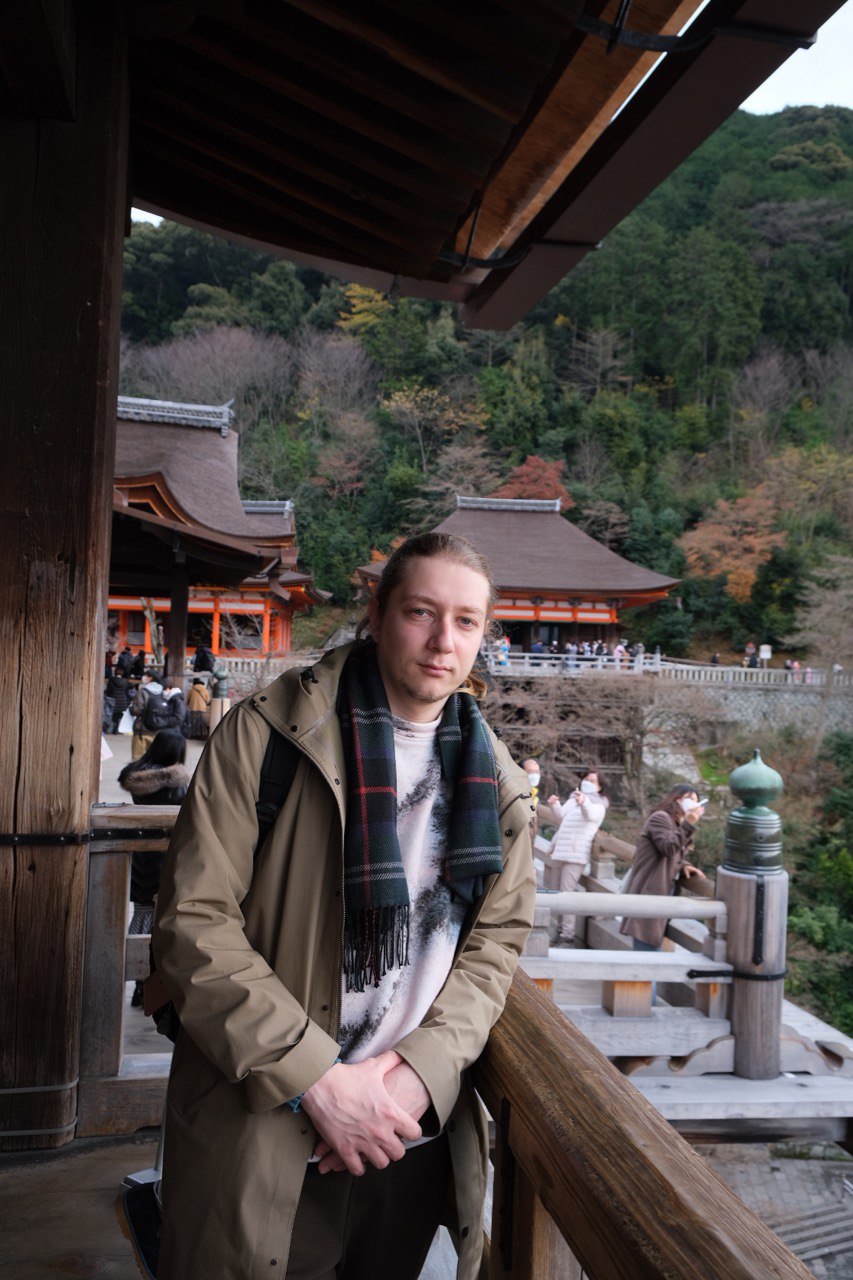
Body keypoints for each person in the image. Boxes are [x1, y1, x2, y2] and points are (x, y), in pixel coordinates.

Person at [146, 532, 535, 1280]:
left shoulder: (498, 782)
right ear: (378, 613)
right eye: (421, 612)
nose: (443, 641)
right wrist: (316, 1078)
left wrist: (421, 1071)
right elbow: (193, 921)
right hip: (264, 1119)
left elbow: (494, 947)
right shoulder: (267, 736)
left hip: (406, 1132)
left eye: (466, 621)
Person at [118, 730, 190, 1008]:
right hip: (166, 861)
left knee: (141, 918)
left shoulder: (136, 777)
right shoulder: (177, 785)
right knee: (165, 927)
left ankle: (137, 986)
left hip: (141, 859)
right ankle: (154, 988)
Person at [619, 784, 706, 955]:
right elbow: (668, 847)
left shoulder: (674, 823)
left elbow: (671, 852)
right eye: (690, 799)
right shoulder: (660, 818)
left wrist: (684, 865)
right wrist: (688, 824)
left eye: (697, 801)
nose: (694, 804)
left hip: (660, 894)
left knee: (650, 949)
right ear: (677, 799)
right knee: (647, 952)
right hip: (649, 892)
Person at [546, 771, 608, 945]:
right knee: (557, 894)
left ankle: (568, 935)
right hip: (561, 850)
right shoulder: (574, 799)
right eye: (586, 779)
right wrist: (554, 805)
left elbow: (591, 816)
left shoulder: (599, 804)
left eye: (592, 781)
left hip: (576, 853)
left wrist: (584, 802)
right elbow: (561, 817)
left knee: (567, 894)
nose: (587, 782)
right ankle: (559, 930)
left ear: (600, 787)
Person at [129, 669, 169, 760]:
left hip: (142, 729)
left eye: (146, 676)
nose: (144, 677)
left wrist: (131, 708)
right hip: (158, 730)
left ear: (150, 678)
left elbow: (136, 710)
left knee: (137, 759)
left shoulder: (143, 691)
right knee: (154, 759)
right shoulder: (163, 692)